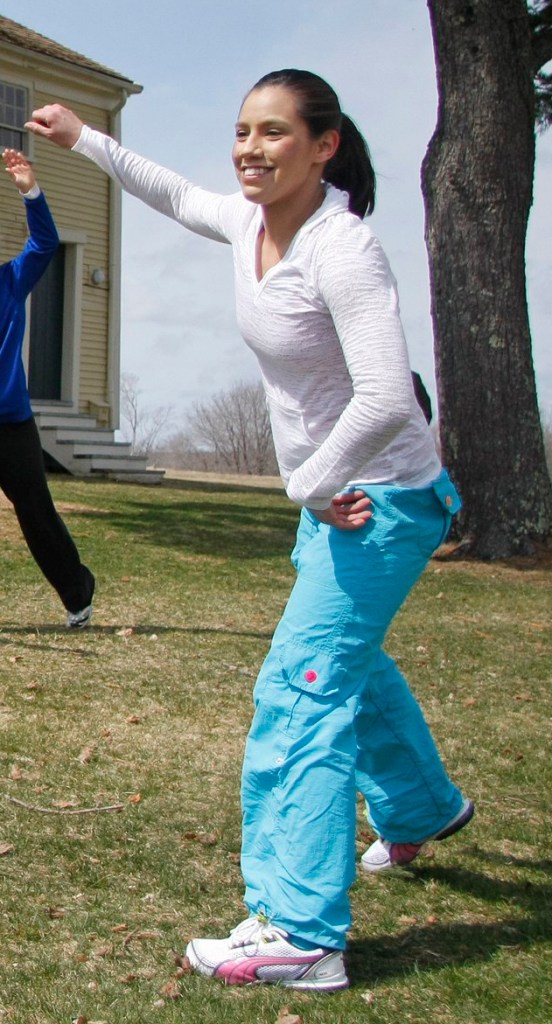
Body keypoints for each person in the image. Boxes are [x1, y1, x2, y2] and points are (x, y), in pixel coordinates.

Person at [27, 69, 474, 990]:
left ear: (324, 146)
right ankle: (424, 811)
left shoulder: (340, 248)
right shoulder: (248, 223)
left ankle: (302, 932)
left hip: (374, 500)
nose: (250, 149)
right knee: (350, 661)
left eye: (274, 133)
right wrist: (83, 140)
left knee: (301, 691)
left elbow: (390, 397)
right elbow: (177, 193)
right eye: (242, 130)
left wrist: (306, 483)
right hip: (336, 498)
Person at [0, 149, 95, 628]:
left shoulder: (10, 282)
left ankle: (78, 593)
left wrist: (30, 191)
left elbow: (45, 241)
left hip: (10, 427)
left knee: (36, 513)